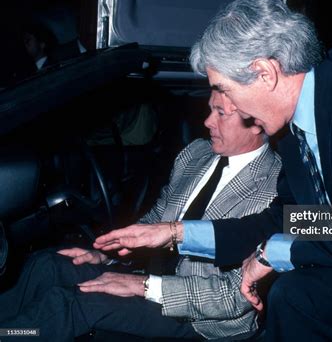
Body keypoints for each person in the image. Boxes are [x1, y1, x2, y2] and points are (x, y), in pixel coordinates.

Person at [92, 0, 332, 341]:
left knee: (297, 296)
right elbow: (287, 220)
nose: (227, 108)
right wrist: (174, 232)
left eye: (223, 89)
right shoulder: (292, 131)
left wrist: (281, 252)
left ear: (264, 73)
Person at [0, 95, 282, 341]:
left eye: (220, 113)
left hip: (203, 317)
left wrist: (143, 286)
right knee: (49, 264)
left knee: (69, 306)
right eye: (210, 109)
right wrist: (111, 256)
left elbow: (232, 298)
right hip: (152, 275)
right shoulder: (195, 154)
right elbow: (157, 219)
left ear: (256, 121)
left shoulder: (276, 189)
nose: (207, 121)